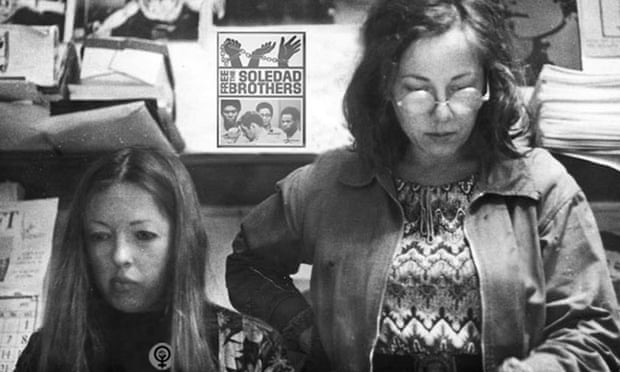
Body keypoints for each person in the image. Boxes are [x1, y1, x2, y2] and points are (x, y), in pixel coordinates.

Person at [225, 0, 620, 371]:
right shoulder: (329, 184)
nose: (442, 112)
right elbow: (247, 265)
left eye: (462, 86)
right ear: (387, 89)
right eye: (417, 88)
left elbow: (592, 331)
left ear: (488, 86)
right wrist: (303, 328)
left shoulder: (541, 186)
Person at [15, 147, 294, 372]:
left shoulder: (251, 347)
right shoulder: (47, 351)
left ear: (180, 242)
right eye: (100, 236)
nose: (120, 256)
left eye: (144, 235)